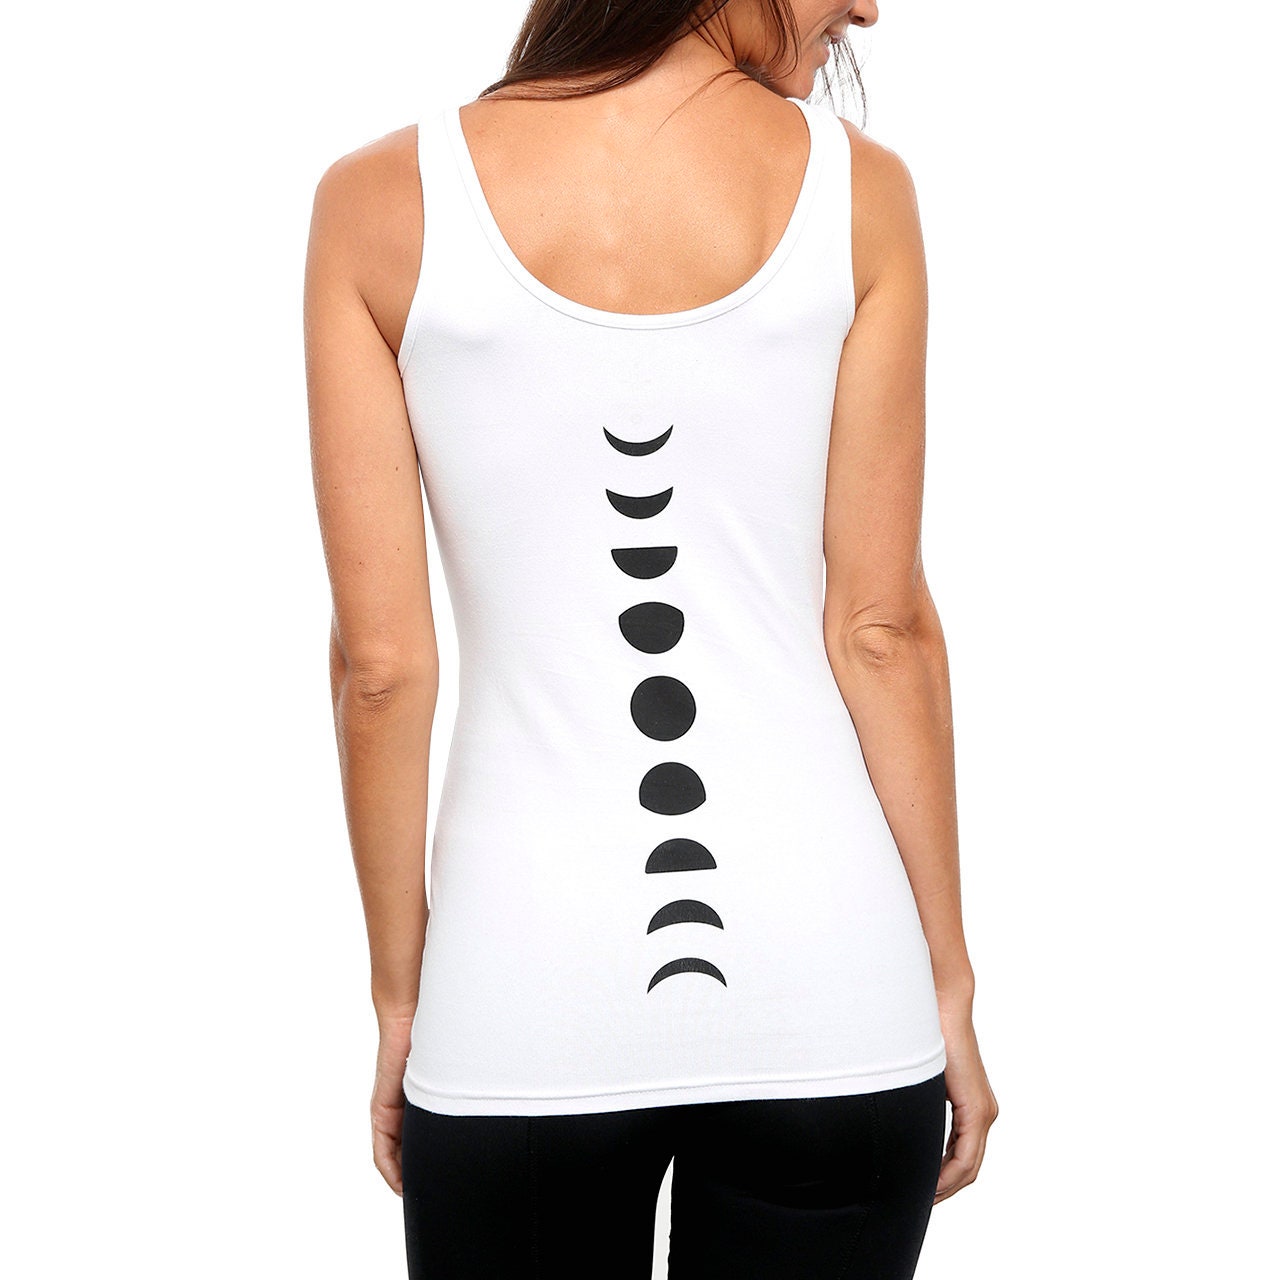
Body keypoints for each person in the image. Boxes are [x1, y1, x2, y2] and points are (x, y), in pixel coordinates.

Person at [304, 0, 997, 1275]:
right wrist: (945, 978)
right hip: (833, 994)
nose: (867, 7)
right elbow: (880, 627)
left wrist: (403, 995)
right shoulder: (859, 195)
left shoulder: (378, 203)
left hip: (518, 996)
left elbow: (382, 670)